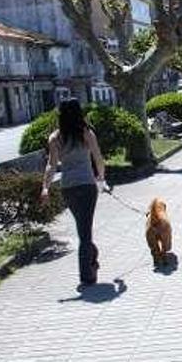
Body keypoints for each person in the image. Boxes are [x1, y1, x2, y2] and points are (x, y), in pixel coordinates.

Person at [41, 99, 106, 287]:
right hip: (87, 185)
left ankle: (91, 255)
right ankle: (87, 275)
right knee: (85, 232)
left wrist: (45, 187)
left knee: (83, 228)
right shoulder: (87, 133)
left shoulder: (55, 138)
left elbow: (51, 165)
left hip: (68, 188)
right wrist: (101, 177)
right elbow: (98, 157)